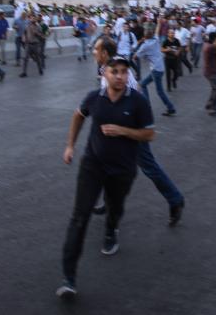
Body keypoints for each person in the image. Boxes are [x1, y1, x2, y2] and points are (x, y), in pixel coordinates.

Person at [56, 56, 155, 299]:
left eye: (124, 72)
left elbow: (149, 134)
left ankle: (111, 229)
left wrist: (123, 131)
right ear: (105, 73)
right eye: (114, 71)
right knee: (79, 217)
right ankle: (69, 278)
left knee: (115, 206)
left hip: (122, 169)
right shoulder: (94, 98)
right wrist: (70, 146)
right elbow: (78, 116)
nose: (119, 76)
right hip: (92, 165)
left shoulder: (138, 101)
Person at [91, 38, 185, 226]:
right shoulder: (110, 67)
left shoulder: (114, 70)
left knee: (148, 166)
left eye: (96, 49)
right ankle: (109, 203)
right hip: (123, 125)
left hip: (130, 127)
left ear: (104, 53)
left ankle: (175, 199)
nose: (93, 52)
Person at [135, 29, 176, 116]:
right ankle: (167, 107)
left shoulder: (145, 45)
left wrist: (140, 43)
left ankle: (170, 107)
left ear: (144, 36)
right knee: (143, 84)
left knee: (159, 91)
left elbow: (135, 56)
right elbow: (157, 30)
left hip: (155, 70)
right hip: (160, 68)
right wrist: (159, 22)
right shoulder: (156, 39)